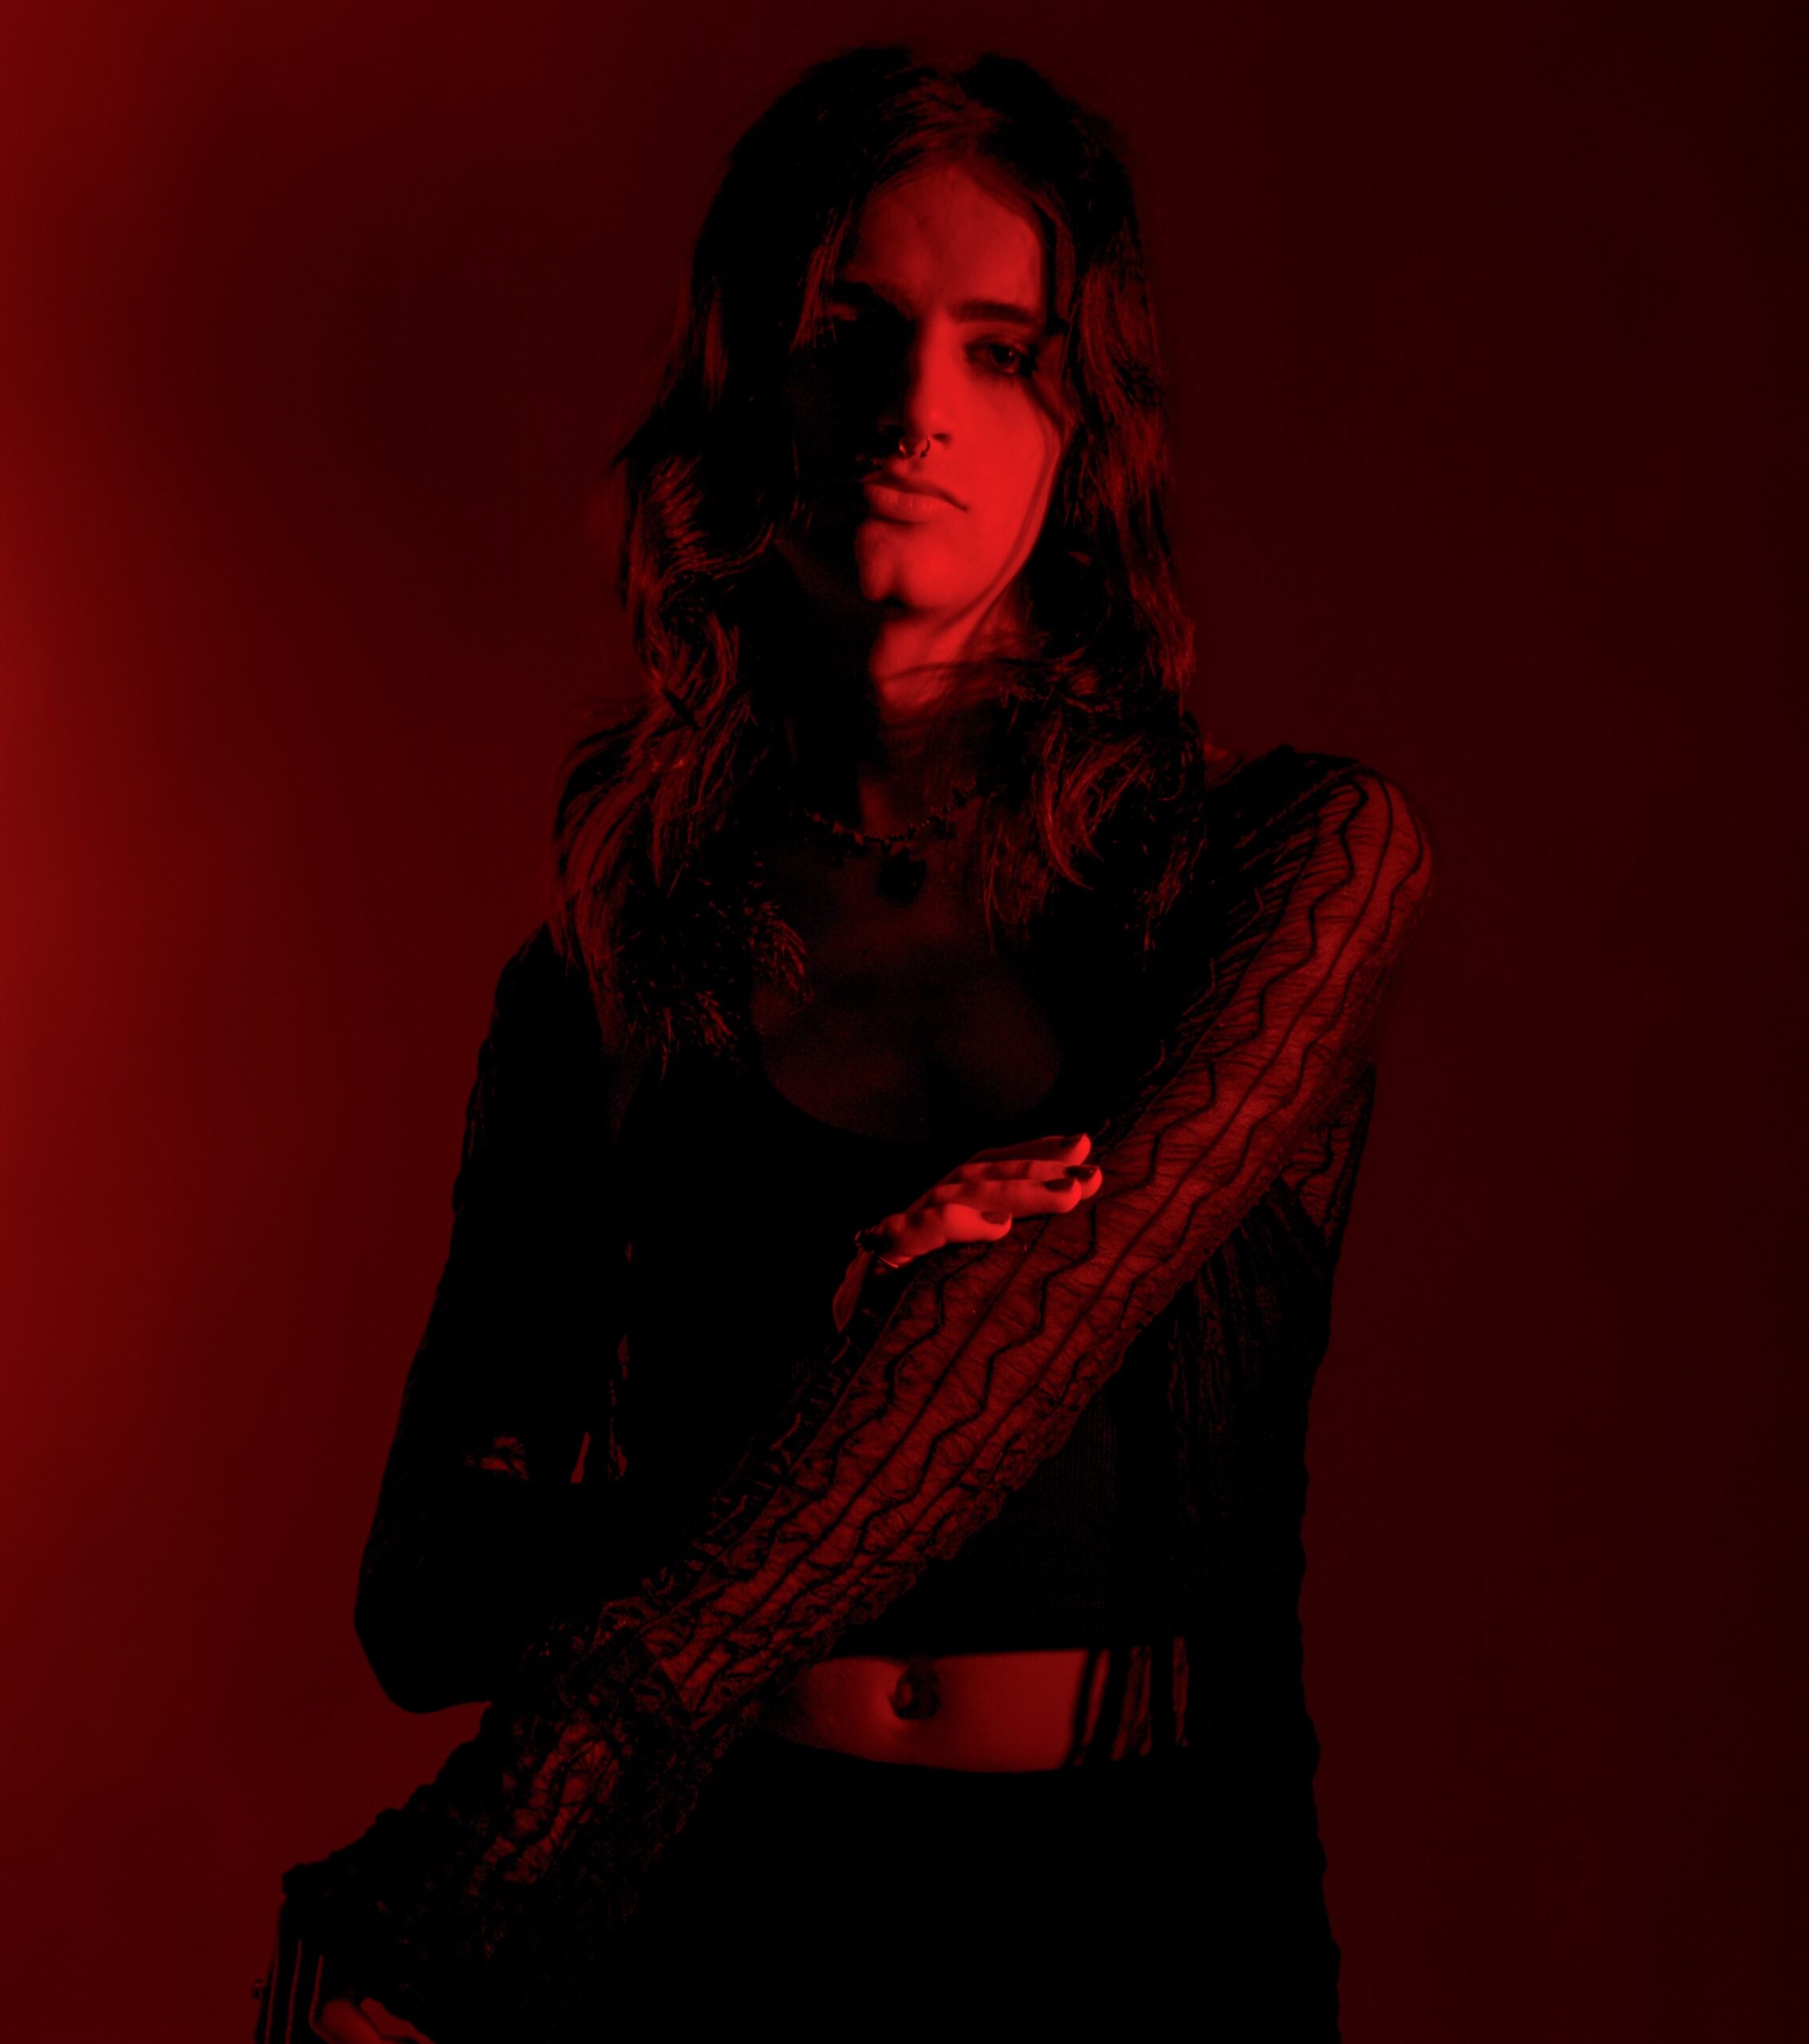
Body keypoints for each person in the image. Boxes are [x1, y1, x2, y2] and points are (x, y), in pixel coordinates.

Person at [255, 42, 1435, 2044]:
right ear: (747, 385)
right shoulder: (606, 974)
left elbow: (1042, 1312)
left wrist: (503, 1826)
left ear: (1086, 426)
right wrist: (788, 1372)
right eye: (851, 331)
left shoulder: (1287, 869)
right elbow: (429, 1591)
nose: (916, 408)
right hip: (727, 1917)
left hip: (1142, 1915)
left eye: (1002, 350)